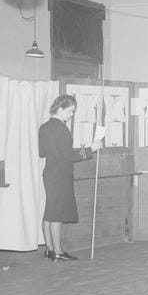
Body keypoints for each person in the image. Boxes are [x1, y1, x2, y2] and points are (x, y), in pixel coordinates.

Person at [39, 94, 100, 262]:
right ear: (60, 109)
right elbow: (70, 155)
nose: (72, 115)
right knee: (57, 213)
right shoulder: (62, 129)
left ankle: (49, 249)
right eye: (70, 111)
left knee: (49, 211)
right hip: (60, 175)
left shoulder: (44, 127)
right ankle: (58, 251)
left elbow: (41, 153)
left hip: (49, 173)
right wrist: (91, 149)